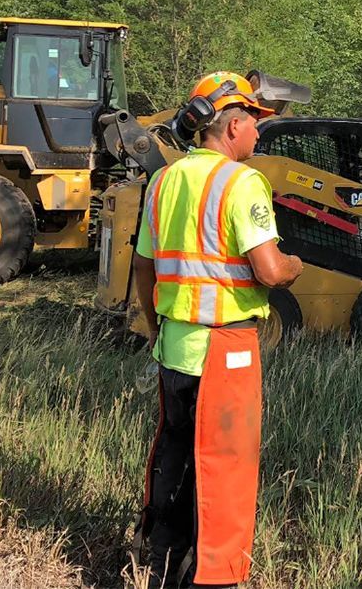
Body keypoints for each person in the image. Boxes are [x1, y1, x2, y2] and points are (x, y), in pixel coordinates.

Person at [131, 71, 303, 588]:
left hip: (175, 343)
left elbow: (144, 267)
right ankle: (215, 577)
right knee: (226, 466)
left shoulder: (163, 180)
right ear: (232, 126)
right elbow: (269, 270)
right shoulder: (242, 182)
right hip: (226, 349)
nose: (258, 135)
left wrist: (157, 319)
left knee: (175, 453)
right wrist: (294, 264)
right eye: (255, 124)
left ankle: (159, 557)